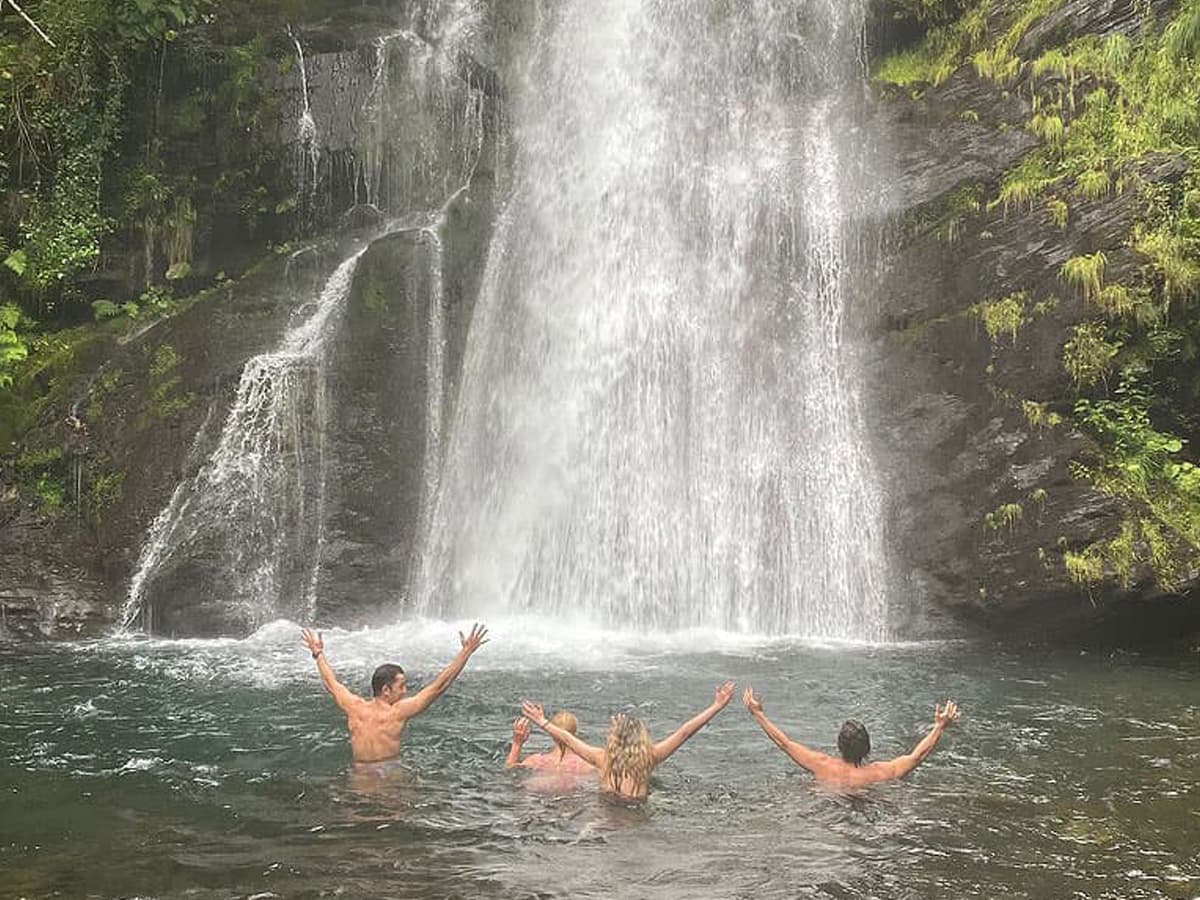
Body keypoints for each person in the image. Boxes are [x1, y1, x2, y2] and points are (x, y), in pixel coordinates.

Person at [300, 623, 488, 764]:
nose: (405, 691)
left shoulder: (354, 708)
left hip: (359, 779)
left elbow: (331, 683)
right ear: (386, 690)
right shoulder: (397, 713)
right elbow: (438, 687)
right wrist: (466, 652)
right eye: (402, 686)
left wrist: (318, 653)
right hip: (387, 779)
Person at [520, 681, 735, 801]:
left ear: (613, 737)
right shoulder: (649, 757)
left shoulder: (602, 758)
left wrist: (542, 721)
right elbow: (684, 732)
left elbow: (568, 738)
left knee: (589, 830)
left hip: (607, 812)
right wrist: (716, 706)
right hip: (638, 817)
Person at [742, 687, 959, 788]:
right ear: (868, 747)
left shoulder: (822, 765)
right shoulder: (881, 773)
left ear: (839, 745)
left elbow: (784, 743)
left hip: (827, 809)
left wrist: (758, 714)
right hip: (866, 811)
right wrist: (939, 727)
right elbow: (917, 756)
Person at [506, 711, 595, 774]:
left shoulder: (536, 761)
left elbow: (509, 768)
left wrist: (517, 743)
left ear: (551, 733)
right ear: (575, 734)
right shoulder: (584, 765)